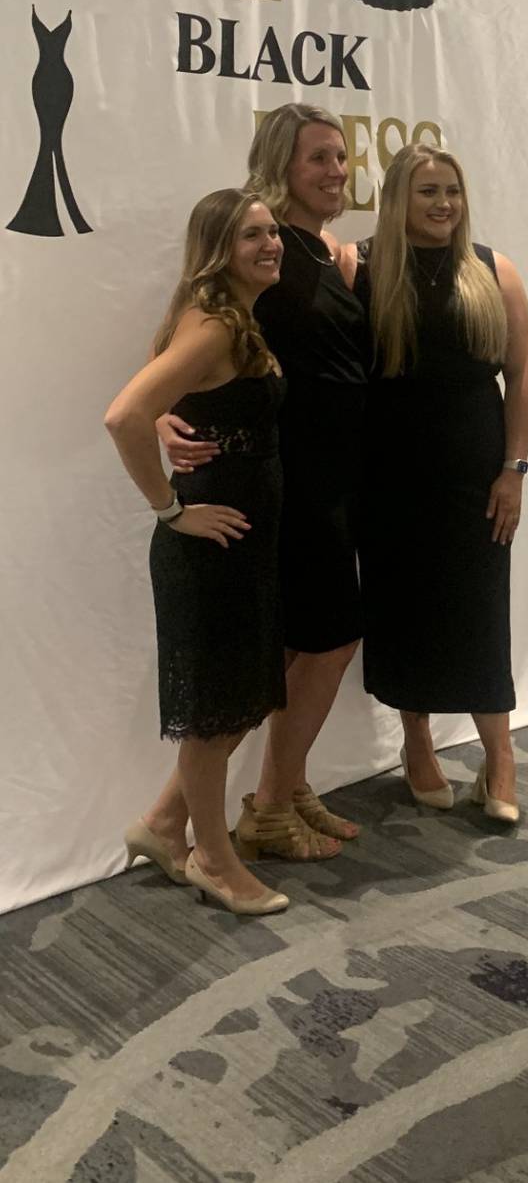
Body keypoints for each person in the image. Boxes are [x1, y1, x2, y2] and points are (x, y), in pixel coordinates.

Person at [160, 103, 366, 861]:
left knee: (289, 652)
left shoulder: (313, 251)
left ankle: (274, 786)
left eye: (342, 158)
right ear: (281, 165)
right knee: (323, 642)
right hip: (296, 476)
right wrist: (160, 414)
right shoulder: (266, 253)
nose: (336, 171)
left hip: (330, 477)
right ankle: (271, 804)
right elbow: (196, 318)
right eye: (319, 158)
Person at [107, 189, 288, 915]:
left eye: (273, 231)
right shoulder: (215, 324)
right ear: (220, 248)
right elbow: (125, 415)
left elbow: (164, 386)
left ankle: (160, 824)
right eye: (252, 235)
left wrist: (169, 423)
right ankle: (213, 860)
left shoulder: (227, 318)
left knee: (238, 702)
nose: (270, 243)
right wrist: (171, 509)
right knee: (214, 715)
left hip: (244, 539)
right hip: (209, 544)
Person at [356, 144, 528, 819]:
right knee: (402, 612)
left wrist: (514, 469)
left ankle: (501, 760)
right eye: (428, 191)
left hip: (475, 476)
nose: (443, 205)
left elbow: (521, 377)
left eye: (452, 191)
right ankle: (418, 743)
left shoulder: (493, 270)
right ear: (397, 198)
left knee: (480, 613)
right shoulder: (363, 268)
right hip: (387, 478)